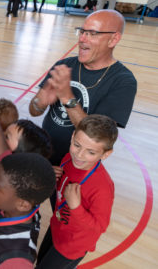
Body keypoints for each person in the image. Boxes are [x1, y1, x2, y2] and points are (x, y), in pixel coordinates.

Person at [28, 9, 137, 166]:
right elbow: (34, 111)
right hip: (44, 156)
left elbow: (96, 136)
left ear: (113, 39)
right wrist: (40, 101)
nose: (82, 39)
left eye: (92, 33)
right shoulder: (64, 65)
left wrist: (66, 96)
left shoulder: (123, 81)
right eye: (82, 31)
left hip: (77, 165)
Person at [36, 114, 118, 268]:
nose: (79, 155)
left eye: (91, 152)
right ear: (72, 136)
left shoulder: (102, 188)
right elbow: (61, 190)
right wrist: (51, 177)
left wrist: (76, 207)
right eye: (77, 144)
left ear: (106, 154)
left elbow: (99, 227)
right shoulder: (68, 158)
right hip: (57, 226)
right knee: (40, 262)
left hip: (74, 245)